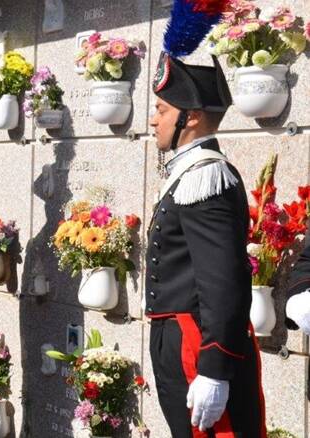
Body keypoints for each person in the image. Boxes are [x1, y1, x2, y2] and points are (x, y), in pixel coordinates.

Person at [144, 28, 266, 436]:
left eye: (161, 109)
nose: (153, 119)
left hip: (196, 342)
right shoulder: (189, 173)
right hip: (178, 338)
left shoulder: (205, 176)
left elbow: (223, 279)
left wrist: (215, 367)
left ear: (190, 117)